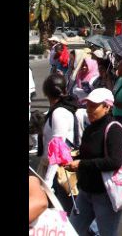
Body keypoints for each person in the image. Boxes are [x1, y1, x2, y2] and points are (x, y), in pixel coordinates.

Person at [66, 88, 122, 236]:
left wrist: (81, 164)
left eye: (94, 106)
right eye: (87, 105)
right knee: (72, 231)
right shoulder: (90, 128)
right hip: (86, 192)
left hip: (105, 194)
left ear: (107, 107)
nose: (88, 110)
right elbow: (87, 154)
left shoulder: (114, 129)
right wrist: (71, 159)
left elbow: (114, 162)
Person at [38, 73, 82, 213]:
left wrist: (48, 181)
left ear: (46, 92)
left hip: (62, 173)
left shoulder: (59, 113)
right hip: (60, 170)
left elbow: (58, 149)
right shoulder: (58, 111)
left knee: (73, 214)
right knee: (70, 214)